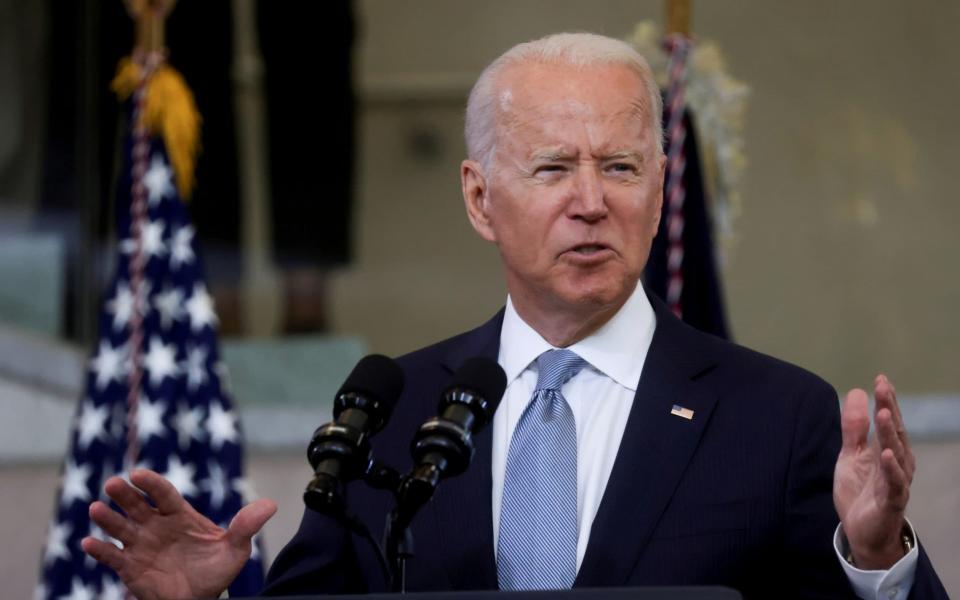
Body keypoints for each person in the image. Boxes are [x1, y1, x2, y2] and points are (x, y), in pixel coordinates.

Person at [82, 33, 947, 599]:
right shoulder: (390, 409)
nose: (590, 202)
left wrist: (876, 560)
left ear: (659, 190)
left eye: (619, 166)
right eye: (550, 169)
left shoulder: (778, 414)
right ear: (479, 197)